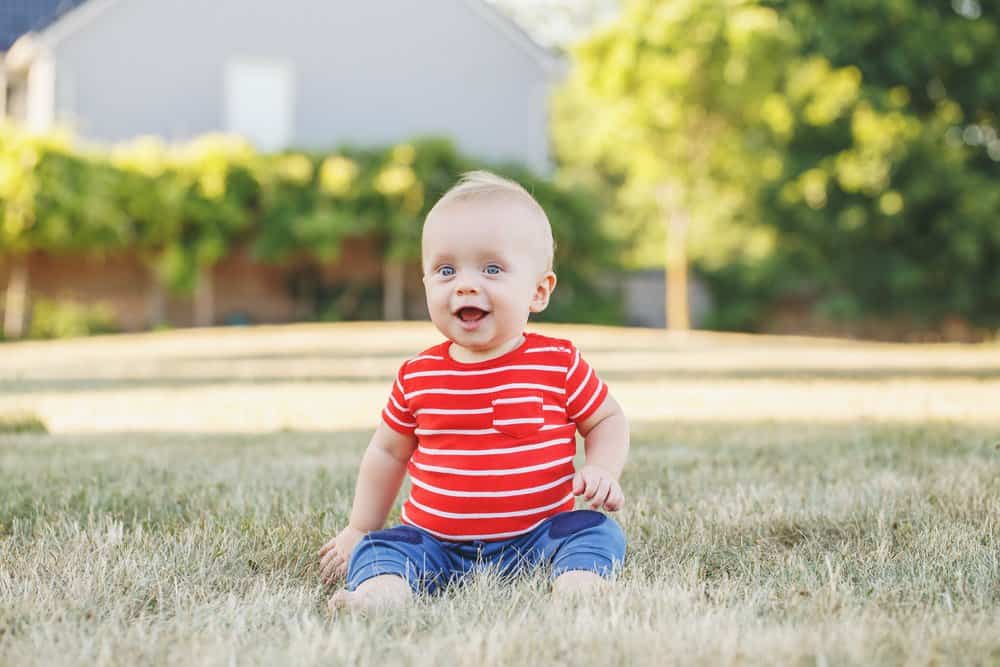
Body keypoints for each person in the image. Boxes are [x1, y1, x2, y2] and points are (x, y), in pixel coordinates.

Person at [318, 170, 630, 613]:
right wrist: (358, 527)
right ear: (426, 283)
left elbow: (606, 419)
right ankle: (379, 595)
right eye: (446, 270)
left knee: (595, 530)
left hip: (539, 535)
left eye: (492, 268)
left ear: (539, 291)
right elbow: (387, 454)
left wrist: (602, 469)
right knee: (382, 548)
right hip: (434, 542)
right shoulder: (417, 375)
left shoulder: (557, 363)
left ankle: (579, 583)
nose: (465, 283)